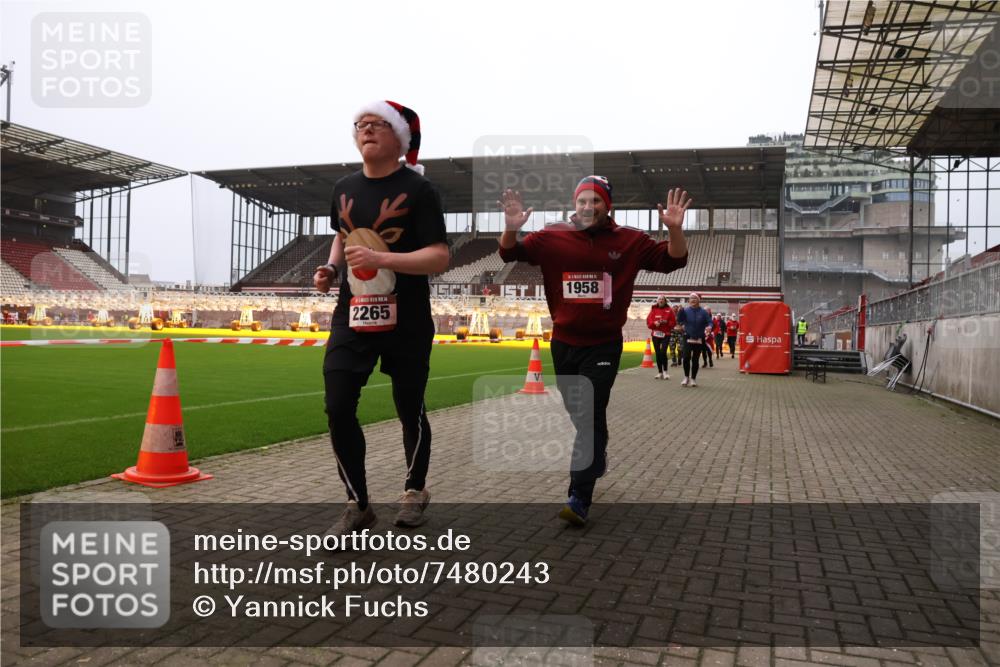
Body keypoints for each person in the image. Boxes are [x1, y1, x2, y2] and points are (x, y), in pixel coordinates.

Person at [498, 178, 690, 525]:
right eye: (582, 201)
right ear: (576, 205)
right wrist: (511, 229)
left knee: (587, 414)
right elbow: (510, 253)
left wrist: (675, 229)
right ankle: (597, 453)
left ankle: (579, 496)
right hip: (564, 343)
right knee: (581, 412)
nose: (588, 207)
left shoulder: (630, 240)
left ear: (607, 206)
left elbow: (674, 260)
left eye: (595, 202)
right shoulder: (552, 236)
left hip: (603, 343)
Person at [313, 100, 449, 535]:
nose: (365, 130)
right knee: (337, 405)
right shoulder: (343, 187)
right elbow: (342, 233)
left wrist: (379, 256)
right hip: (351, 314)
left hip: (406, 316)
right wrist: (332, 268)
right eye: (360, 124)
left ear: (399, 138)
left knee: (410, 408)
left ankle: (414, 489)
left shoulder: (420, 190)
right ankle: (358, 503)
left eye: (376, 124)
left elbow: (439, 256)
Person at [677, 292, 712, 387]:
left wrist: (709, 327)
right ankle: (686, 377)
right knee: (686, 357)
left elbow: (710, 322)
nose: (693, 300)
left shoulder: (703, 312)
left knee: (695, 359)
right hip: (687, 336)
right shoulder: (685, 310)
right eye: (691, 298)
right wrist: (680, 323)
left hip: (699, 338)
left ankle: (693, 378)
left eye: (695, 298)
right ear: (689, 301)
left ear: (698, 301)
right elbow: (679, 321)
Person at [645, 295, 676, 379]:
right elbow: (648, 323)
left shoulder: (669, 310)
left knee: (663, 352)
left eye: (662, 299)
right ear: (657, 301)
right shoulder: (653, 310)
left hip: (666, 334)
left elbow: (673, 323)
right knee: (658, 353)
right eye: (659, 299)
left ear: (665, 301)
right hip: (655, 334)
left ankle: (665, 372)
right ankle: (660, 372)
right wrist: (654, 323)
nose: (661, 301)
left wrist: (666, 322)